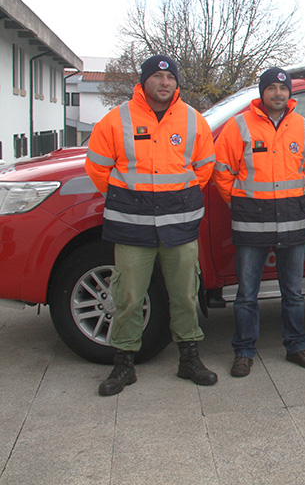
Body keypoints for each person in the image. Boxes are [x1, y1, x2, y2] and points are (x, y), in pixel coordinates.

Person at [85, 55, 217, 396]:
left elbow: (203, 169)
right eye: (157, 77)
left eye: (170, 77)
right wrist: (130, 198)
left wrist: (176, 198)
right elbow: (98, 169)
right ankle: (124, 363)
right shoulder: (116, 120)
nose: (164, 83)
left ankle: (189, 358)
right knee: (128, 295)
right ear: (143, 82)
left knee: (186, 294)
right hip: (131, 225)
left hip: (180, 225)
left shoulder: (193, 120)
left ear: (176, 82)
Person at [213, 68, 305, 375]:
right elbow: (222, 170)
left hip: (292, 220)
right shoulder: (239, 126)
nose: (277, 93)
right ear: (262, 93)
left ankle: (296, 346)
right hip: (250, 222)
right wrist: (239, 202)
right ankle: (244, 351)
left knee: (294, 292)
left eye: (282, 88)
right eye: (271, 88)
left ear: (290, 93)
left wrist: (293, 195)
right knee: (247, 294)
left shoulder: (302, 127)